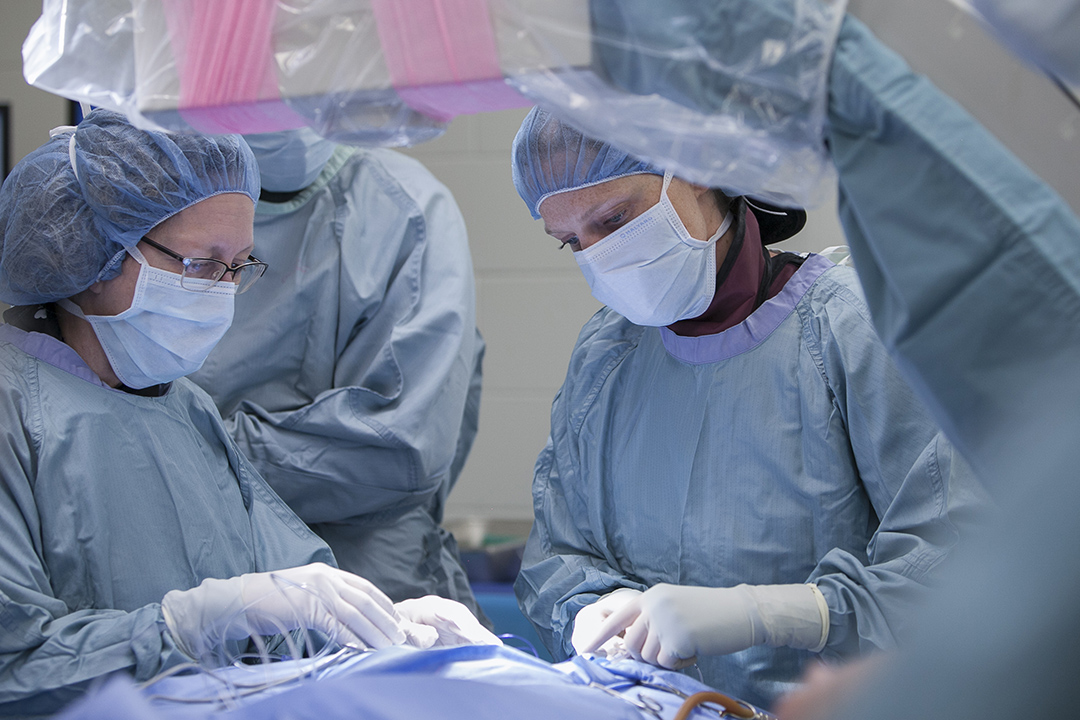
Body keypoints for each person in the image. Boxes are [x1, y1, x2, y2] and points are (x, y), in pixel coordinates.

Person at [0, 110, 495, 718]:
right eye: (201, 265)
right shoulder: (15, 415)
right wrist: (189, 625)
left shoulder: (186, 410)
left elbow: (289, 587)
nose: (220, 292)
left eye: (237, 268)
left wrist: (385, 626)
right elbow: (16, 666)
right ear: (90, 251)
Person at [508, 106, 988, 709]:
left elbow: (956, 569)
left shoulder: (855, 332)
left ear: (699, 169)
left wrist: (767, 615)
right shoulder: (607, 356)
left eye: (616, 219)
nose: (599, 257)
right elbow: (559, 553)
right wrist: (588, 615)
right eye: (571, 241)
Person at [189, 128, 485, 616]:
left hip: (369, 577)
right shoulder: (170, 204)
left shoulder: (405, 207)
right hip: (203, 567)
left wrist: (194, 453)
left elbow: (399, 453)